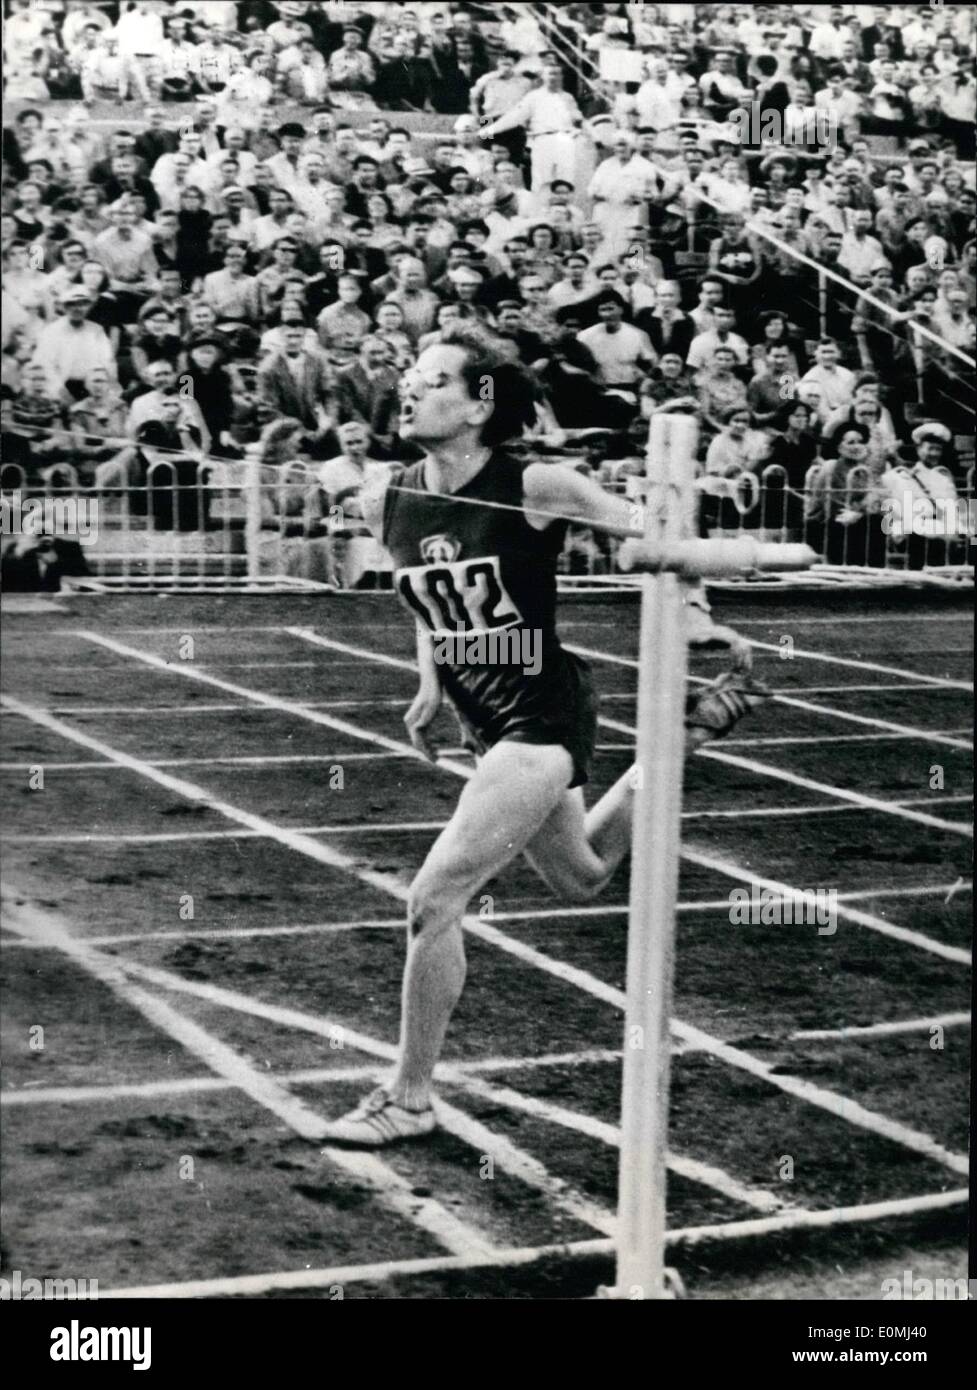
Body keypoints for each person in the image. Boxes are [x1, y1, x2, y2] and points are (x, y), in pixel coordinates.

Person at [317, 324, 765, 1146]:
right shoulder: (390, 495)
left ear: (479, 401)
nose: (408, 389)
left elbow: (656, 529)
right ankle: (679, 743)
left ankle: (409, 1098)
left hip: (540, 714)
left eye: (429, 378)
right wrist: (429, 685)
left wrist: (694, 613)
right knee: (581, 873)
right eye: (408, 378)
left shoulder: (537, 483)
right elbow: (427, 599)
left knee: (432, 900)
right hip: (484, 716)